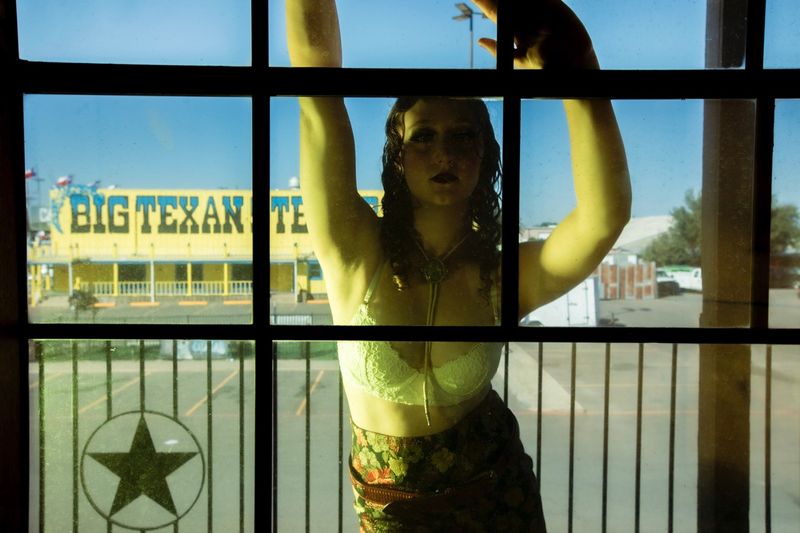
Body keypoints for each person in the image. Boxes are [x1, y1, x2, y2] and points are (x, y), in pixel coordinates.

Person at [286, 0, 631, 530]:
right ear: (397, 158)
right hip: (393, 513)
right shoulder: (355, 250)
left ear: (484, 158)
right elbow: (316, 90)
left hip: (499, 499)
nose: (444, 152)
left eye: (463, 136)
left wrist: (580, 71)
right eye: (423, 136)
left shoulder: (503, 276)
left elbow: (602, 218)